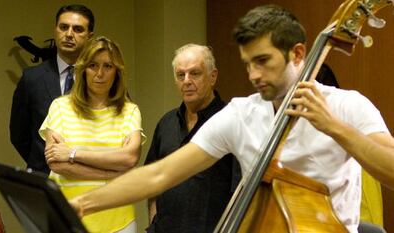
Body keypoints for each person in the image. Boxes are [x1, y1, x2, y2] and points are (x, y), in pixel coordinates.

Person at [70, 5, 394, 233]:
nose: (253, 74)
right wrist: (85, 203)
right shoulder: (241, 113)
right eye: (247, 63)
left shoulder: (348, 106)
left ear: (297, 54)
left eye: (263, 61)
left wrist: (335, 128)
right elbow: (161, 174)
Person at [40, 36, 144, 233]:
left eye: (108, 66)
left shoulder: (130, 111)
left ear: (117, 72)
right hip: (66, 215)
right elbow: (56, 163)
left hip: (118, 219)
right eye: (93, 65)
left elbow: (129, 158)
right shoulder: (60, 107)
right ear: (83, 69)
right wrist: (112, 173)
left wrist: (72, 154)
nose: (100, 73)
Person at [145, 44, 240, 233]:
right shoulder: (166, 123)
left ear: (213, 76)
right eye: (181, 75)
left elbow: (240, 194)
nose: (186, 81)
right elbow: (152, 181)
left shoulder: (233, 121)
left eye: (194, 73)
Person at [10, 4, 94, 174]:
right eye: (64, 27)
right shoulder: (32, 78)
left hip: (90, 178)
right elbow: (19, 135)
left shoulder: (103, 77)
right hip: (44, 178)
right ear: (55, 30)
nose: (69, 34)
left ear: (89, 37)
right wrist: (42, 164)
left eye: (78, 29)